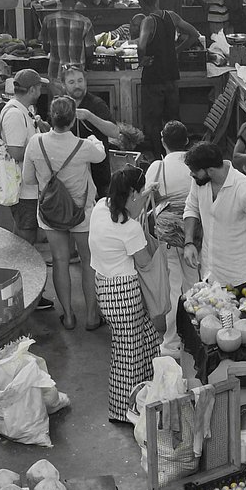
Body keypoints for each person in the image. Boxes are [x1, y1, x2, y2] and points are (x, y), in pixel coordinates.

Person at [22, 94, 104, 331]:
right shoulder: (84, 146)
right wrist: (93, 139)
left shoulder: (36, 143)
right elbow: (100, 154)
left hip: (50, 213)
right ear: (71, 120)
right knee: (88, 261)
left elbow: (28, 179)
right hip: (82, 213)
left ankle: (68, 316)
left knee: (60, 261)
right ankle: (91, 316)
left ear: (51, 117)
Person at [88, 166, 162, 423]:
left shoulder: (99, 208)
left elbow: (126, 208)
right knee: (128, 353)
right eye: (139, 192)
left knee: (149, 340)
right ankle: (124, 412)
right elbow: (144, 261)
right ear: (132, 194)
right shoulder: (129, 228)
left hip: (104, 288)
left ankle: (150, 394)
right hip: (125, 294)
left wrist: (145, 192)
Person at [182, 141, 246, 290]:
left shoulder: (245, 191)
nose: (191, 174)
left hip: (240, 279)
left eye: (194, 170)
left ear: (210, 170)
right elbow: (191, 208)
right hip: (208, 273)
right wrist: (188, 243)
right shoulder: (199, 182)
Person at [0, 69, 53, 311]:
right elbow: (16, 152)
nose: (41, 91)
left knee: (23, 240)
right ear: (31, 90)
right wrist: (40, 144)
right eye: (39, 87)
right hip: (24, 192)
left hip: (29, 190)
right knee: (26, 245)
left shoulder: (24, 112)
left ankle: (20, 293)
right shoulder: (13, 116)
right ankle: (28, 295)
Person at [145, 120, 197, 358]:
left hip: (167, 233)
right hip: (193, 231)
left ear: (163, 141)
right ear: (187, 141)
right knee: (195, 283)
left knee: (173, 286)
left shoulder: (157, 168)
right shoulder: (195, 164)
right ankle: (196, 336)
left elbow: (150, 197)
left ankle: (171, 342)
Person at [136, 0, 203, 160]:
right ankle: (178, 158)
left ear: (141, 3)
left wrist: (141, 59)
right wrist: (177, 50)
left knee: (153, 123)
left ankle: (158, 159)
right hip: (172, 79)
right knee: (173, 121)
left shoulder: (148, 21)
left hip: (152, 80)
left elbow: (141, 44)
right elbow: (195, 34)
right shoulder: (171, 16)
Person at [61, 64, 121, 199]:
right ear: (63, 85)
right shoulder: (61, 105)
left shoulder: (96, 104)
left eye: (80, 81)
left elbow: (115, 132)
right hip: (70, 179)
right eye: (71, 82)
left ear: (86, 81)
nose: (77, 85)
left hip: (98, 177)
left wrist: (90, 116)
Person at [39, 0, 96, 86]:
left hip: (56, 73)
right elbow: (89, 52)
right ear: (75, 1)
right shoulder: (86, 22)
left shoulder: (48, 20)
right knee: (76, 102)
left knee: (57, 102)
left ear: (60, 0)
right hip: (77, 77)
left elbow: (46, 48)